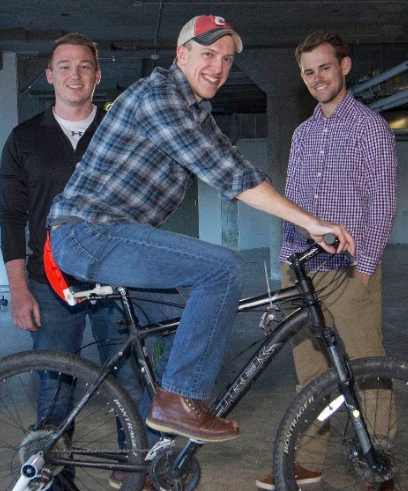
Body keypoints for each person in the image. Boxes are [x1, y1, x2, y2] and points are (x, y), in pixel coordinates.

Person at [47, 14, 354, 444]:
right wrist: (309, 222)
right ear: (181, 54)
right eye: (208, 53)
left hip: (111, 234)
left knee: (178, 330)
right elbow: (230, 175)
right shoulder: (160, 97)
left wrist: (303, 220)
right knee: (223, 268)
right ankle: (181, 401)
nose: (219, 66)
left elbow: (241, 165)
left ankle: (148, 457)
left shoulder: (195, 111)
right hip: (90, 234)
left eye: (227, 59)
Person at [0, 33, 150, 490]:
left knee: (127, 377)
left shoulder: (120, 133)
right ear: (49, 76)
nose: (74, 75)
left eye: (84, 66)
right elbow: (11, 217)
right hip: (50, 282)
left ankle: (133, 469)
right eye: (64, 66)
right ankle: (55, 479)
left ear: (98, 76)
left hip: (113, 276)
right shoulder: (24, 139)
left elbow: (142, 203)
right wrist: (19, 288)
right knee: (55, 383)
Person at [257, 31, 397, 491]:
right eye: (309, 71)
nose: (318, 77)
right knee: (310, 373)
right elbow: (293, 202)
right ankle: (310, 459)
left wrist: (366, 268)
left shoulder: (369, 128)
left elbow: (381, 204)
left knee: (365, 367)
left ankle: (376, 453)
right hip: (300, 268)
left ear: (345, 66)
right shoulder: (303, 132)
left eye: (325, 67)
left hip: (348, 271)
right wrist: (285, 260)